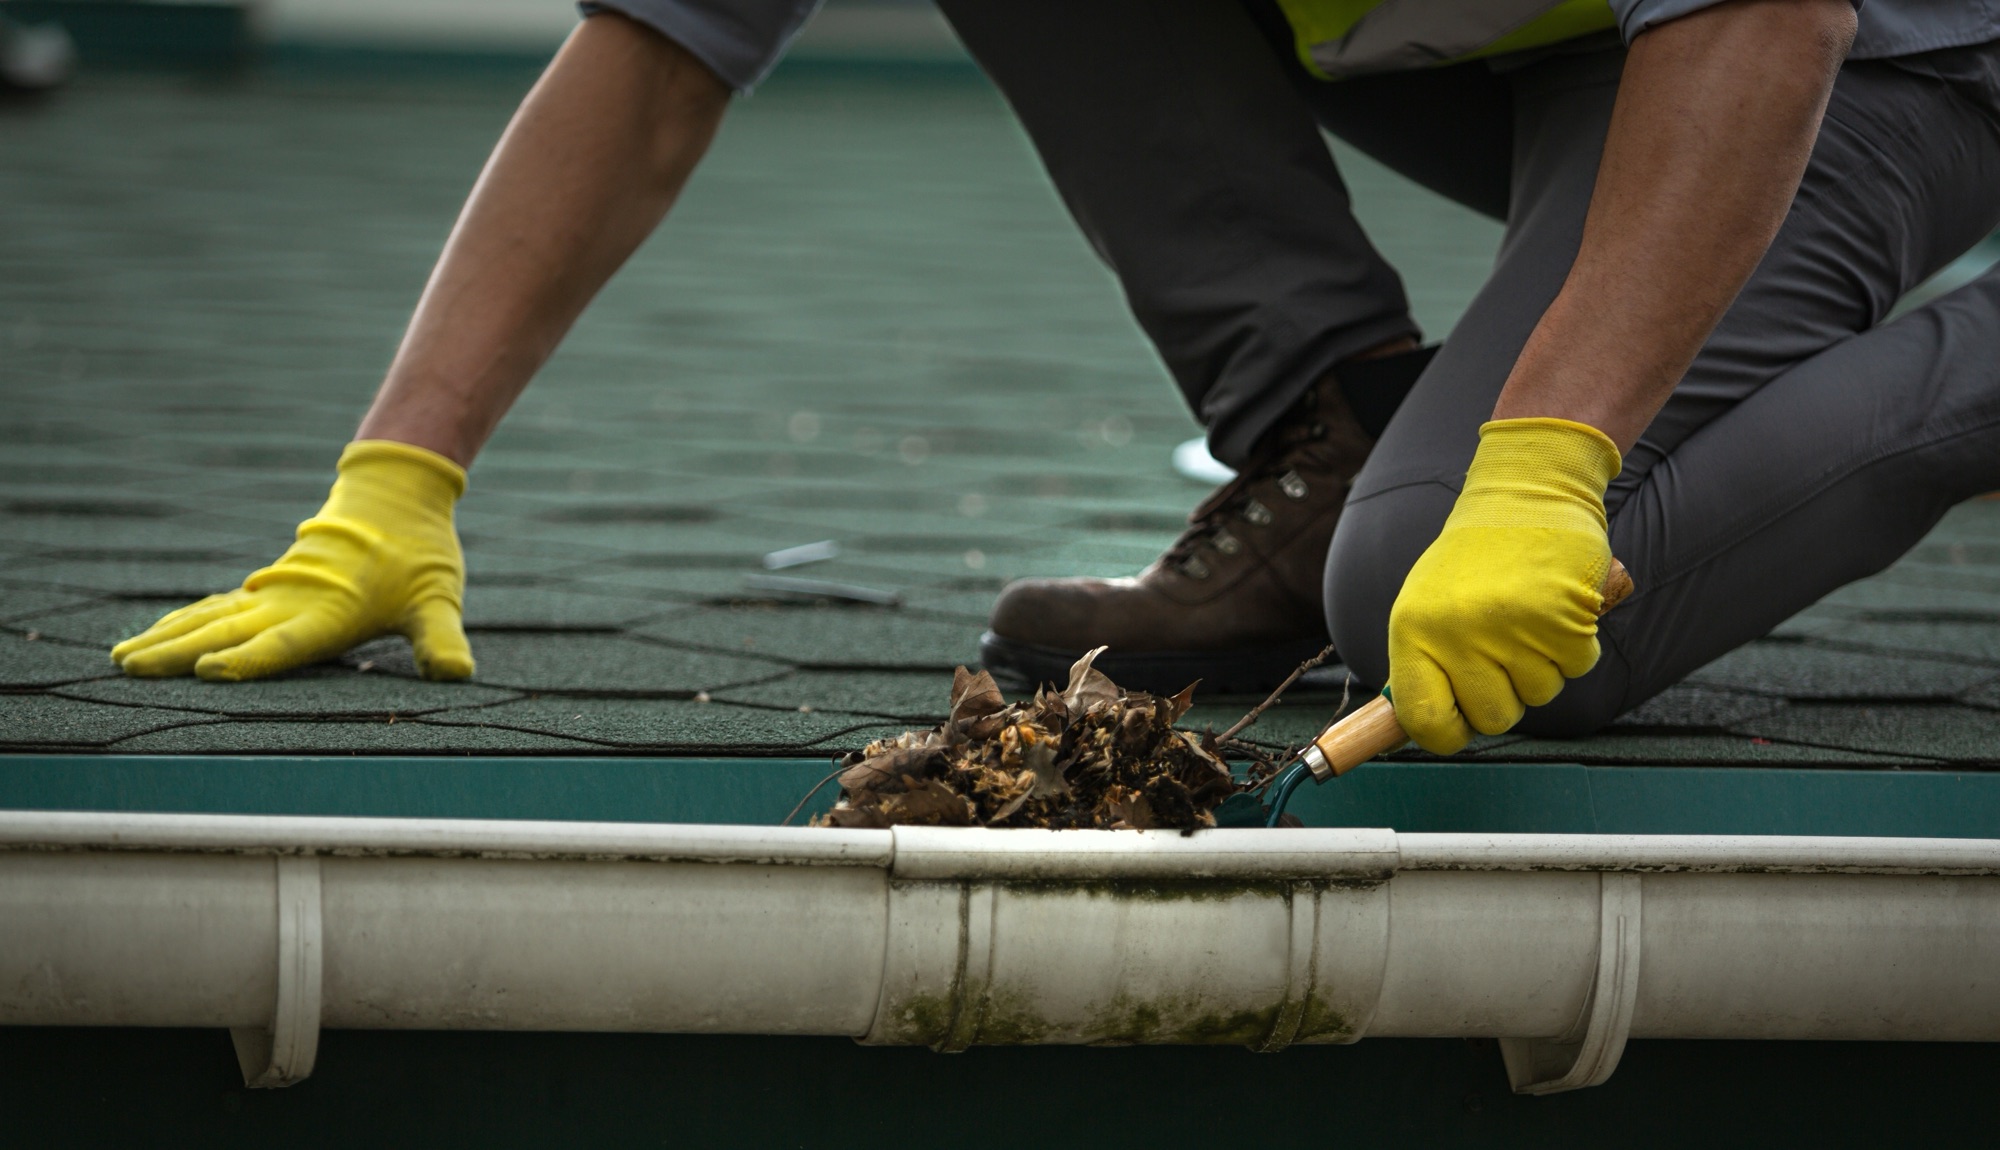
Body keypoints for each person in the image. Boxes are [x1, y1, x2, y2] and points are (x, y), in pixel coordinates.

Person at [113, 0, 2000, 757]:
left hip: (1838, 66)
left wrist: (1547, 461)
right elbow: (661, 44)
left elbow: (1769, 14)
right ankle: (1328, 424)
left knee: (1457, 606)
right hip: (1511, 36)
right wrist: (396, 480)